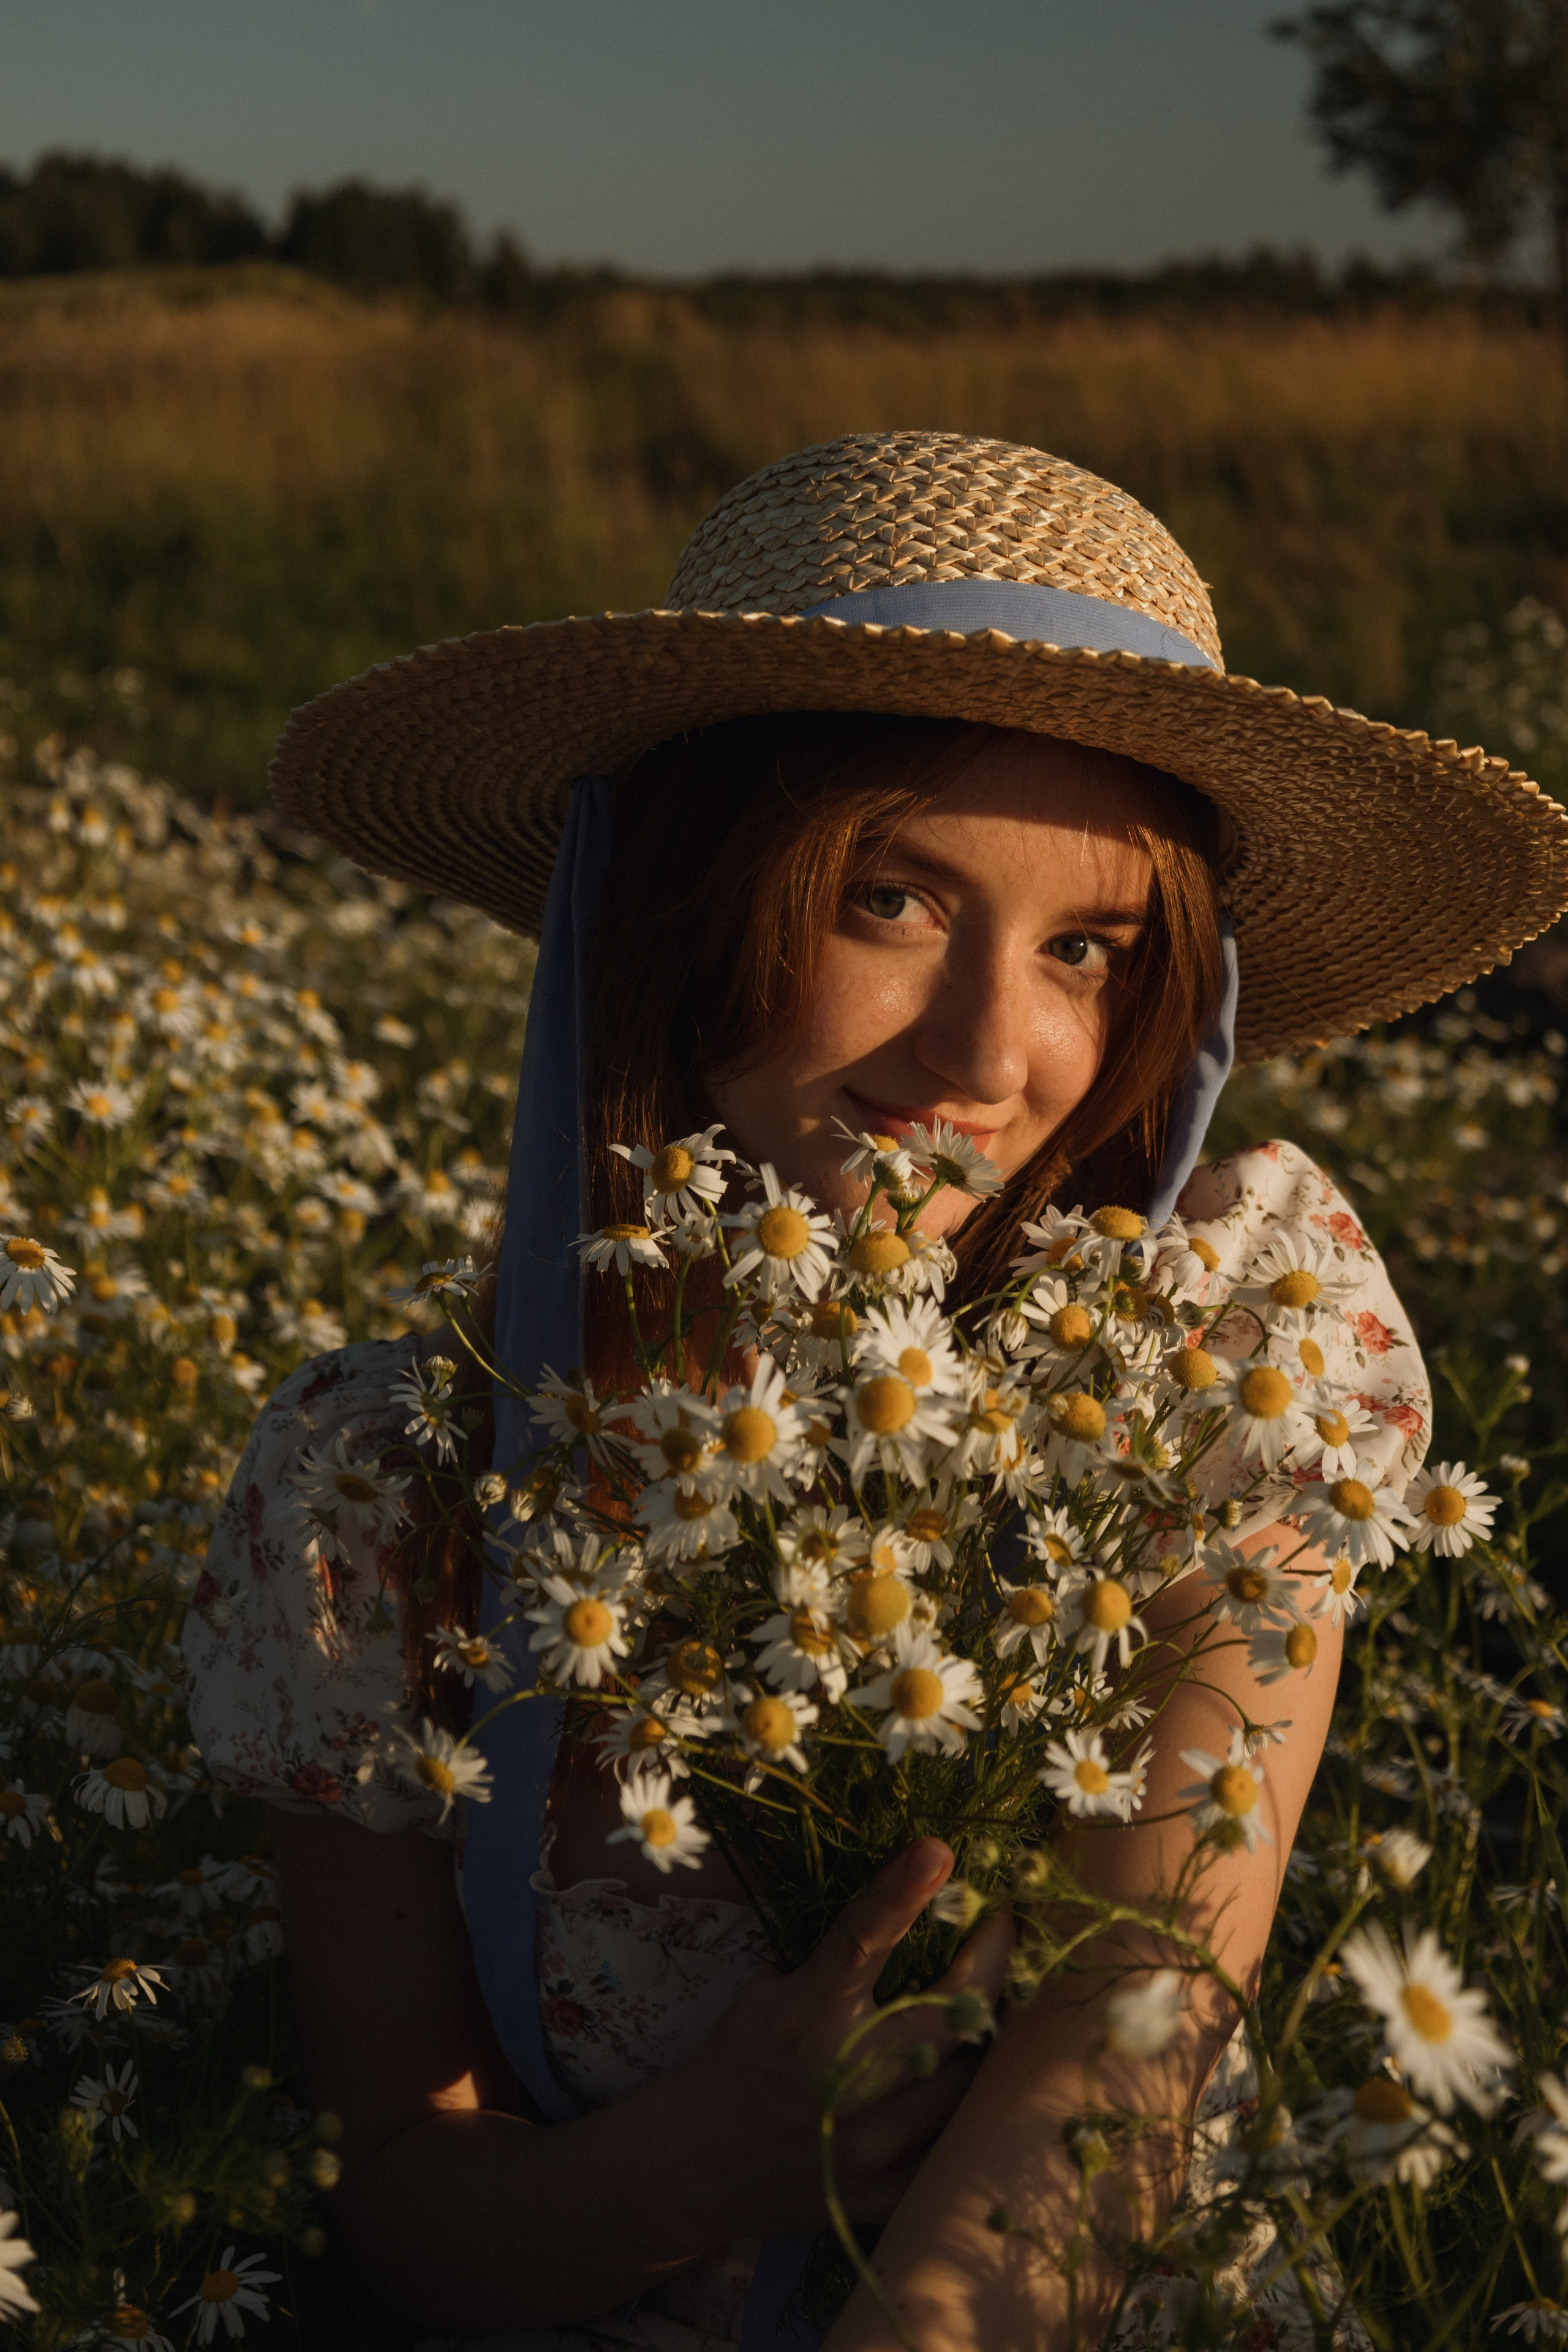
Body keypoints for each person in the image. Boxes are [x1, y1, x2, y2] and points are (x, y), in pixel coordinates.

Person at [184, 431, 1564, 2351]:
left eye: (1089, 950)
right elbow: (405, 2216)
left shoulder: (1212, 1363)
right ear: (682, 904)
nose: (995, 1053)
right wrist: (699, 2169)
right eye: (892, 902)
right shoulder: (382, 1488)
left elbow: (1123, 2060)